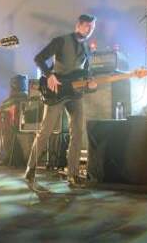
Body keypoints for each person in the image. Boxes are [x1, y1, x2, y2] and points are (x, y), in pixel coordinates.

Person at [25, 14, 97, 186]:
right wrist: (49, 75)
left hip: (75, 94)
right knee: (46, 131)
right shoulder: (61, 41)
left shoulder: (87, 48)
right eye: (87, 26)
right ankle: (30, 168)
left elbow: (85, 73)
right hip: (56, 90)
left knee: (78, 132)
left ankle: (72, 174)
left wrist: (91, 83)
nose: (90, 30)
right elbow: (39, 58)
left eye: (92, 27)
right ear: (78, 25)